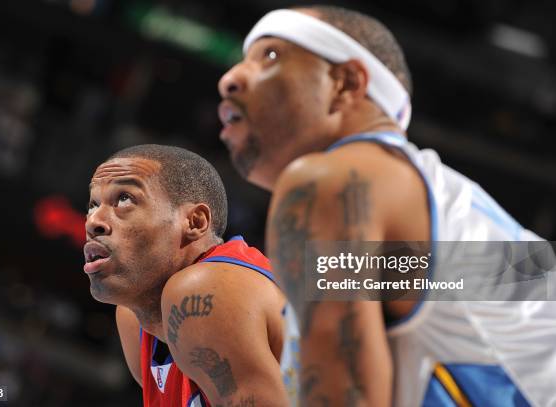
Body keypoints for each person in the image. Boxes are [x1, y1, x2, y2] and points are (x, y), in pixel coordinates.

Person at [218, 5, 555, 407]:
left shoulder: (332, 181)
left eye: (270, 56)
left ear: (345, 83)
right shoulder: (437, 199)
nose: (229, 79)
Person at [83, 144, 288, 406]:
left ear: (195, 222)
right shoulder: (134, 321)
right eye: (92, 204)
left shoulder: (206, 289)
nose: (93, 221)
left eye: (124, 199)